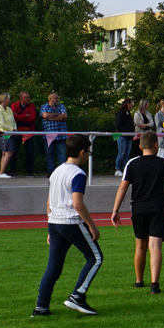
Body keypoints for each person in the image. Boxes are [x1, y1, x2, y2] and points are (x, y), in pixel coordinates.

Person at [34, 135, 104, 316]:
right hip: (71, 222)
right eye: (88, 152)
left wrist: (51, 226)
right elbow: (77, 204)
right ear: (82, 152)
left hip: (55, 222)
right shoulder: (78, 173)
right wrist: (92, 226)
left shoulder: (56, 171)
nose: (88, 155)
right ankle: (77, 296)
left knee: (53, 267)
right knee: (95, 258)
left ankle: (41, 307)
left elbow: (49, 202)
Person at [109, 132, 164, 294]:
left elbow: (123, 188)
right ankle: (155, 285)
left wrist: (115, 210)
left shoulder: (132, 164)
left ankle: (139, 281)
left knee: (140, 245)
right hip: (159, 207)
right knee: (155, 246)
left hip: (139, 208)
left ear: (140, 146)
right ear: (156, 145)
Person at [11, 91, 42, 177]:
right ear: (21, 99)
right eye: (27, 97)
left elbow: (32, 118)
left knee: (30, 152)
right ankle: (12, 171)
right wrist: (25, 116)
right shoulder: (14, 105)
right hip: (16, 131)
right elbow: (13, 117)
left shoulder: (31, 106)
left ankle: (30, 171)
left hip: (29, 131)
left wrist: (20, 117)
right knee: (14, 151)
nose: (29, 99)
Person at [40, 92, 69, 170]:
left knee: (62, 155)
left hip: (61, 135)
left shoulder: (61, 106)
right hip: (49, 135)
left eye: (57, 98)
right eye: (55, 98)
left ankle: (62, 171)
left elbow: (64, 116)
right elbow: (45, 115)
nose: (57, 100)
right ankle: (51, 172)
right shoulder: (44, 107)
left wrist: (51, 118)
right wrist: (57, 114)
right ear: (50, 99)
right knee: (49, 154)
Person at [0, 92, 18, 178]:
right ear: (4, 99)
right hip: (3, 133)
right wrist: (11, 130)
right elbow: (0, 123)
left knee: (5, 153)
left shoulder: (8, 109)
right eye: (8, 98)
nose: (9, 100)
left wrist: (14, 129)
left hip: (10, 133)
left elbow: (13, 120)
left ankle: (2, 172)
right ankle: (1, 172)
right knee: (8, 152)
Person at [113, 99, 136, 176]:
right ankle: (117, 168)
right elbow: (118, 124)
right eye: (131, 104)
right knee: (121, 153)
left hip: (129, 136)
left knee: (127, 153)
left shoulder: (128, 113)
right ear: (127, 104)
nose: (132, 106)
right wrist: (125, 131)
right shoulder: (121, 112)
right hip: (122, 135)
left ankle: (125, 168)